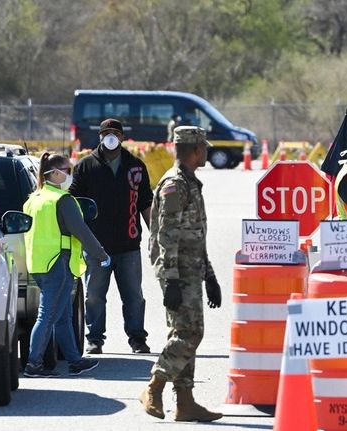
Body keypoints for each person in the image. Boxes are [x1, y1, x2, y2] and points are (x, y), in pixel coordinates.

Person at [139, 126, 223, 422]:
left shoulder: (190, 182)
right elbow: (168, 236)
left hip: (190, 268)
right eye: (204, 148)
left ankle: (185, 403)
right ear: (195, 149)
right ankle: (154, 385)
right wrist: (171, 279)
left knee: (184, 332)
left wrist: (210, 276)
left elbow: (195, 235)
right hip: (177, 271)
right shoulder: (174, 184)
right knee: (190, 333)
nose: (207, 152)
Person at [69, 118, 153, 354]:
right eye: (106, 133)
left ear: (122, 137)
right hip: (96, 247)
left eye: (115, 133)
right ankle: (94, 339)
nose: (110, 137)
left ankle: (137, 339)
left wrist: (155, 234)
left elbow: (146, 202)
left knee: (134, 297)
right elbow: (73, 201)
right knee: (94, 296)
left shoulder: (135, 166)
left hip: (128, 245)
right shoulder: (85, 166)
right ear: (100, 137)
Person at [22, 153, 109, 377]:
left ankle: (74, 360)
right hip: (58, 264)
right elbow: (81, 231)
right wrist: (100, 254)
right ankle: (34, 364)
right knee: (48, 316)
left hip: (40, 264)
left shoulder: (33, 199)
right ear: (54, 173)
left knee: (62, 316)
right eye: (67, 171)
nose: (70, 175)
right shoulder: (62, 200)